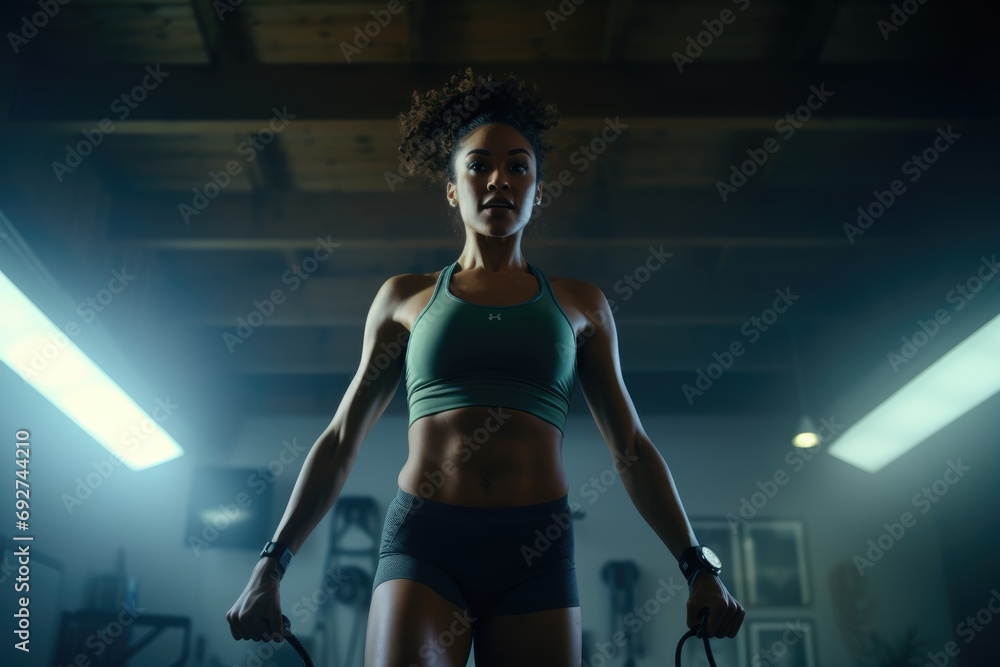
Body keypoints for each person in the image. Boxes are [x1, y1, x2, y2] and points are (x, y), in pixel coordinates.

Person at [226, 67, 745, 666]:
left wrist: (697, 565)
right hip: (426, 543)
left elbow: (630, 445)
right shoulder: (404, 298)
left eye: (518, 166)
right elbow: (341, 439)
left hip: (537, 549)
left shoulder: (582, 305)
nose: (499, 178)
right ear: (452, 188)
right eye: (478, 164)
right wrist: (271, 563)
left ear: (538, 190)